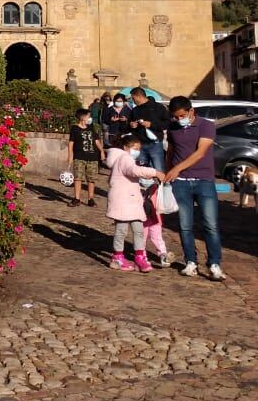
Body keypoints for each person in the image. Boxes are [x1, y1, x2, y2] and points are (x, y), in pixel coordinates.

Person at [164, 96, 225, 280]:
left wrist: (177, 168)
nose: (178, 119)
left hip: (204, 179)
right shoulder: (173, 127)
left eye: (181, 115)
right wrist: (168, 172)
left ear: (191, 111)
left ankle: (214, 263)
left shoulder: (206, 125)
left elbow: (201, 152)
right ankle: (191, 261)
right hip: (180, 182)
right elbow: (171, 152)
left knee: (210, 224)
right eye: (175, 116)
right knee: (184, 225)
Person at [106, 134, 167, 271]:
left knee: (138, 229)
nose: (137, 151)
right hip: (123, 200)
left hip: (131, 200)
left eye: (139, 149)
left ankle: (139, 256)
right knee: (121, 230)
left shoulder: (124, 159)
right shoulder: (124, 158)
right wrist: (155, 172)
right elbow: (134, 171)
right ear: (126, 147)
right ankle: (117, 257)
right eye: (135, 148)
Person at [67, 107, 103, 207]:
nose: (90, 118)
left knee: (91, 179)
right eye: (88, 116)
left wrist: (101, 151)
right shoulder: (74, 128)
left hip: (92, 157)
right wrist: (70, 156)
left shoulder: (91, 128)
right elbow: (71, 143)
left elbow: (96, 141)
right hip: (79, 156)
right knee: (78, 178)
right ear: (83, 117)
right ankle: (76, 198)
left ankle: (90, 198)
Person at [128, 88, 170, 173]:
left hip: (155, 144)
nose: (132, 100)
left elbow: (167, 124)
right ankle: (145, 186)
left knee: (158, 169)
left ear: (139, 96)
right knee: (142, 170)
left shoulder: (158, 107)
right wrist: (131, 125)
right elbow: (128, 125)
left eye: (133, 98)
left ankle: (161, 185)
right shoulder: (135, 110)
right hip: (139, 144)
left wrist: (151, 124)